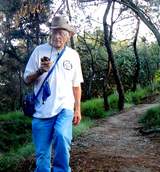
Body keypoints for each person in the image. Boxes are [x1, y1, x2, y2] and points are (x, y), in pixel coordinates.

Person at [23, 15, 83, 172]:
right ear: (50, 32)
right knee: (42, 156)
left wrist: (77, 109)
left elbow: (76, 86)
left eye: (61, 32)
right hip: (41, 112)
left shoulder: (73, 55)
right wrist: (40, 71)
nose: (57, 36)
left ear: (68, 35)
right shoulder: (39, 51)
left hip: (64, 108)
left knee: (62, 137)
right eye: (54, 31)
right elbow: (27, 80)